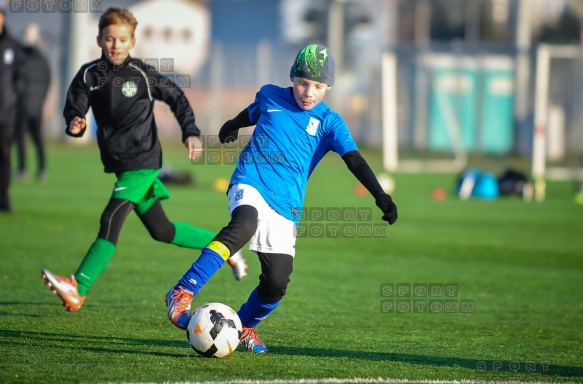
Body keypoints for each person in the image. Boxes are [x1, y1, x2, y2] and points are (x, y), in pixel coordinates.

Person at [165, 44, 398, 353]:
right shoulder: (270, 94)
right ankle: (184, 288)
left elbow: (354, 160)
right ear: (292, 78)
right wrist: (232, 126)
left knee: (276, 283)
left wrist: (381, 196)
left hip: (286, 203)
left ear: (329, 86)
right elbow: (252, 112)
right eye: (303, 83)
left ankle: (245, 328)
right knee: (244, 224)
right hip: (251, 181)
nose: (308, 92)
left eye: (317, 86)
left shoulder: (330, 122)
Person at [41, 7, 247, 313]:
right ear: (99, 39)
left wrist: (190, 132)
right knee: (163, 231)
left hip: (143, 161)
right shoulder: (88, 75)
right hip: (121, 164)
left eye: (122, 39)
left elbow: (176, 97)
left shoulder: (140, 74)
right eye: (110, 38)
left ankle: (78, 287)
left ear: (132, 41)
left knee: (110, 219)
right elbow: (75, 106)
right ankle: (226, 247)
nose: (115, 44)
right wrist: (75, 122)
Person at [14, 23, 51, 182]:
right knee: (38, 139)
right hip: (38, 105)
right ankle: (42, 169)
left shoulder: (20, 58)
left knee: (21, 138)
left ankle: (22, 169)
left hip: (22, 104)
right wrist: (43, 101)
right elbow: (48, 81)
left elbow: (15, 80)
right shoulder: (43, 59)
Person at [0, 7, 24, 213]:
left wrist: (16, 95)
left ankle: (4, 199)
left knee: (4, 157)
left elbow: (22, 76)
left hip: (5, 114)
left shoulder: (12, 46)